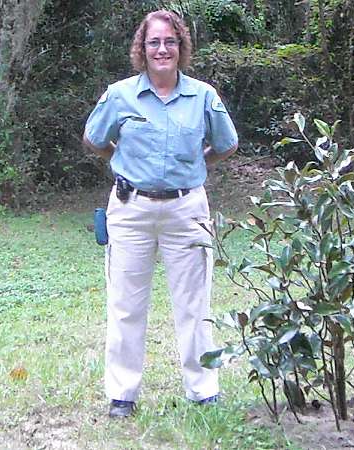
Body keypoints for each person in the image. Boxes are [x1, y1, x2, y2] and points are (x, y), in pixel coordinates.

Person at [82, 9, 238, 418]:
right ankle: (122, 395)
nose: (162, 49)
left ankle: (203, 389)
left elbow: (226, 144)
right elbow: (94, 139)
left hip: (187, 211)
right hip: (130, 210)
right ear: (142, 48)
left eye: (170, 41)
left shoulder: (203, 96)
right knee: (126, 304)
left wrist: (195, 166)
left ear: (181, 46)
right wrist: (124, 164)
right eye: (154, 42)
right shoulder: (120, 95)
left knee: (194, 304)